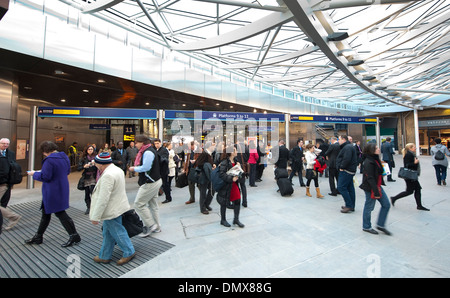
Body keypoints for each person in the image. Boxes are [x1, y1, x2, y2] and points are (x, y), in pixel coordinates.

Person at [25, 141, 81, 247]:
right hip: (62, 187)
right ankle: (38, 236)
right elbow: (67, 171)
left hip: (52, 190)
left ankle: (74, 235)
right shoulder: (64, 157)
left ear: (45, 151)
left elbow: (46, 176)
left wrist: (34, 174)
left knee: (59, 212)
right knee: (46, 212)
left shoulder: (49, 160)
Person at [89, 152, 136, 265]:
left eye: (96, 163)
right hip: (118, 206)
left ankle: (129, 251)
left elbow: (103, 198)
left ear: (101, 164)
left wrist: (96, 216)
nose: (95, 165)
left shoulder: (107, 176)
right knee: (108, 232)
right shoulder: (117, 170)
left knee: (117, 231)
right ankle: (104, 255)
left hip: (111, 209)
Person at [129, 135, 163, 237]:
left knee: (139, 204)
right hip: (155, 180)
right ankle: (157, 227)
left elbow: (146, 167)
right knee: (153, 205)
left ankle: (150, 225)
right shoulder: (149, 150)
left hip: (150, 182)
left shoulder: (147, 152)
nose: (135, 145)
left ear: (142, 143)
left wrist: (134, 169)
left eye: (136, 143)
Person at [359, 143, 391, 235]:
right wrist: (376, 191)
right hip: (371, 187)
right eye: (376, 148)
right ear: (371, 150)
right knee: (369, 207)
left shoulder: (375, 159)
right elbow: (370, 178)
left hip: (377, 185)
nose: (378, 149)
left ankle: (380, 224)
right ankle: (366, 226)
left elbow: (378, 172)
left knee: (386, 204)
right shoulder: (368, 162)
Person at [390, 143, 429, 211]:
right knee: (409, 191)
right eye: (414, 147)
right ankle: (394, 198)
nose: (415, 148)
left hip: (412, 175)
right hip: (410, 176)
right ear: (410, 148)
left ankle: (419, 205)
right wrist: (415, 163)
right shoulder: (408, 155)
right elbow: (407, 165)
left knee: (417, 189)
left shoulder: (411, 154)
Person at [216, 145, 244, 228]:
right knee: (224, 203)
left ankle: (236, 219)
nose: (236, 152)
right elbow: (222, 174)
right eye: (235, 150)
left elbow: (239, 173)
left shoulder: (236, 161)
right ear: (231, 152)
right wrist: (231, 179)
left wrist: (239, 167)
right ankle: (223, 220)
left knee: (237, 200)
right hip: (226, 185)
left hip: (234, 185)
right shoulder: (225, 162)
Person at [336, 135, 358, 213]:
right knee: (350, 188)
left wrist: (342, 167)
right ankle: (351, 205)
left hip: (346, 171)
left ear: (343, 139)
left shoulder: (347, 147)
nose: (338, 141)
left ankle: (349, 205)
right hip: (350, 170)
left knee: (341, 187)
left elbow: (346, 159)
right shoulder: (348, 146)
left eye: (339, 139)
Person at [77, 145, 98, 214]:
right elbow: (78, 168)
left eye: (91, 149)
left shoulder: (96, 157)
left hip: (93, 176)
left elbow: (100, 166)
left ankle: (94, 207)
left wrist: (96, 164)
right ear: (86, 150)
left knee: (93, 191)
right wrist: (84, 166)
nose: (90, 150)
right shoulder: (83, 158)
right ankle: (88, 207)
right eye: (89, 149)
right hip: (86, 176)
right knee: (87, 193)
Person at [194, 148, 215, 214]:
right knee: (203, 192)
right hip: (203, 176)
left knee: (212, 189)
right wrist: (208, 166)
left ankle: (206, 204)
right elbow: (199, 163)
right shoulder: (205, 154)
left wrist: (212, 165)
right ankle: (203, 208)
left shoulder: (209, 154)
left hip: (208, 175)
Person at [154, 139, 172, 203]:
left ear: (160, 143)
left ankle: (168, 197)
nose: (156, 145)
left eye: (157, 143)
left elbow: (165, 159)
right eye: (155, 143)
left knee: (165, 184)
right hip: (157, 170)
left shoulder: (164, 150)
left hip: (163, 170)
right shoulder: (155, 150)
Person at [0, 138, 15, 207]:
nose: (5, 145)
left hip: (7, 181)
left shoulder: (11, 153)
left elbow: (13, 166)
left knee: (5, 200)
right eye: (3, 143)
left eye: (7, 144)